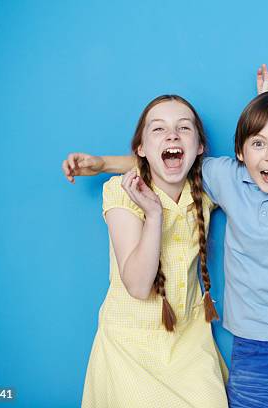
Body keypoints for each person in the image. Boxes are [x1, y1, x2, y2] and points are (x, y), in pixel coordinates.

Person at [63, 66, 268, 407]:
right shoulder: (224, 178)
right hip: (249, 348)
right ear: (240, 151)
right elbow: (158, 161)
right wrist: (105, 164)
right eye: (257, 144)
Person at [79, 94, 228, 408]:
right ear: (141, 149)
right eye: (158, 129)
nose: (172, 135)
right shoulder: (122, 191)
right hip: (129, 345)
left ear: (200, 147)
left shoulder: (205, 190)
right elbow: (137, 285)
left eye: (184, 128)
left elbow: (258, 163)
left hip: (190, 342)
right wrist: (155, 214)